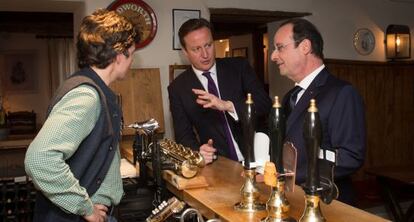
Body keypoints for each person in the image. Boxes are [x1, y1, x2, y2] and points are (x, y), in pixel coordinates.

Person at [24, 9, 138, 222]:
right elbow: (39, 159)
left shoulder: (92, 89)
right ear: (119, 55)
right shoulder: (87, 96)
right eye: (132, 53)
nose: (132, 61)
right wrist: (85, 207)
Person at [271, 18, 366, 205]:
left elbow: (350, 156)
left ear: (305, 46)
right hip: (292, 200)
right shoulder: (290, 95)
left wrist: (292, 175)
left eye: (280, 47)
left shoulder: (342, 92)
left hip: (327, 203)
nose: (273, 56)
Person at [168, 18, 271, 164]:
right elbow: (183, 136)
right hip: (219, 168)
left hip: (259, 160)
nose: (205, 54)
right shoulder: (178, 88)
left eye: (208, 45)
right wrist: (198, 152)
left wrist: (228, 106)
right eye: (196, 49)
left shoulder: (239, 67)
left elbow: (264, 104)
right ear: (185, 52)